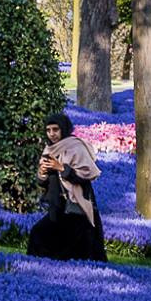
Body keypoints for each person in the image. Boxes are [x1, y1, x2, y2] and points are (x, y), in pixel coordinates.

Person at [27, 112, 107, 262]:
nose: (52, 134)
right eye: (48, 130)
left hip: (77, 207)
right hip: (58, 207)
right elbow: (43, 183)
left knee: (77, 250)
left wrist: (62, 168)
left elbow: (85, 176)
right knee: (38, 235)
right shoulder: (49, 150)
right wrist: (42, 173)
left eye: (55, 129)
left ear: (63, 129)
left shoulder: (76, 147)